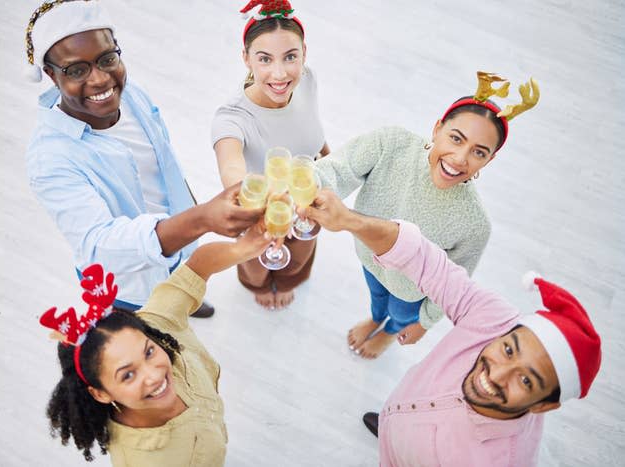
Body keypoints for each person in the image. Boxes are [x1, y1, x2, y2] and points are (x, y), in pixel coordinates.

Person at [300, 189, 602, 466]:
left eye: (525, 382)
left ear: (543, 407)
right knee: (399, 424)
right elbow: (424, 260)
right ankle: (394, 425)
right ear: (507, 332)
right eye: (509, 349)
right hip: (402, 415)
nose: (496, 374)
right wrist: (349, 220)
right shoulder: (496, 320)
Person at [25, 0, 263, 316]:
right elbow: (100, 245)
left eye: (107, 59)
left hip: (180, 245)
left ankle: (188, 299)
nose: (99, 80)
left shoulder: (132, 94)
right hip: (129, 287)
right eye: (77, 70)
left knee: (184, 288)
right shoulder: (50, 159)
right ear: (52, 76)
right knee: (155, 331)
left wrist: (196, 209)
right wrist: (202, 218)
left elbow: (165, 164)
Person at [315, 71, 540, 357]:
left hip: (411, 294)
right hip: (369, 258)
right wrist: (306, 182)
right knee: (377, 298)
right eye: (456, 139)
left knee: (398, 313)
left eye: (479, 152)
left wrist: (424, 323)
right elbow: (339, 168)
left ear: (489, 159)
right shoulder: (391, 144)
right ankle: (375, 318)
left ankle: (388, 330)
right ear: (437, 129)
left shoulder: (475, 225)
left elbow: (452, 285)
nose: (460, 159)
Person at [40, 223, 273, 465]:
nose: (154, 375)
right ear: (101, 393)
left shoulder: (156, 326)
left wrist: (242, 249)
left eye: (149, 352)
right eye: (128, 374)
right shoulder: (145, 461)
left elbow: (197, 267)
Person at [211, 0, 330, 310]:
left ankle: (289, 281)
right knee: (256, 260)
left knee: (301, 252)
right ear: (246, 59)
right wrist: (257, 213)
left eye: (290, 57)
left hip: (305, 201)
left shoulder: (307, 80)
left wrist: (330, 164)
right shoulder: (231, 118)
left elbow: (312, 133)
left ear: (304, 52)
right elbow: (232, 169)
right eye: (265, 59)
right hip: (259, 212)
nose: (280, 74)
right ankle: (259, 286)